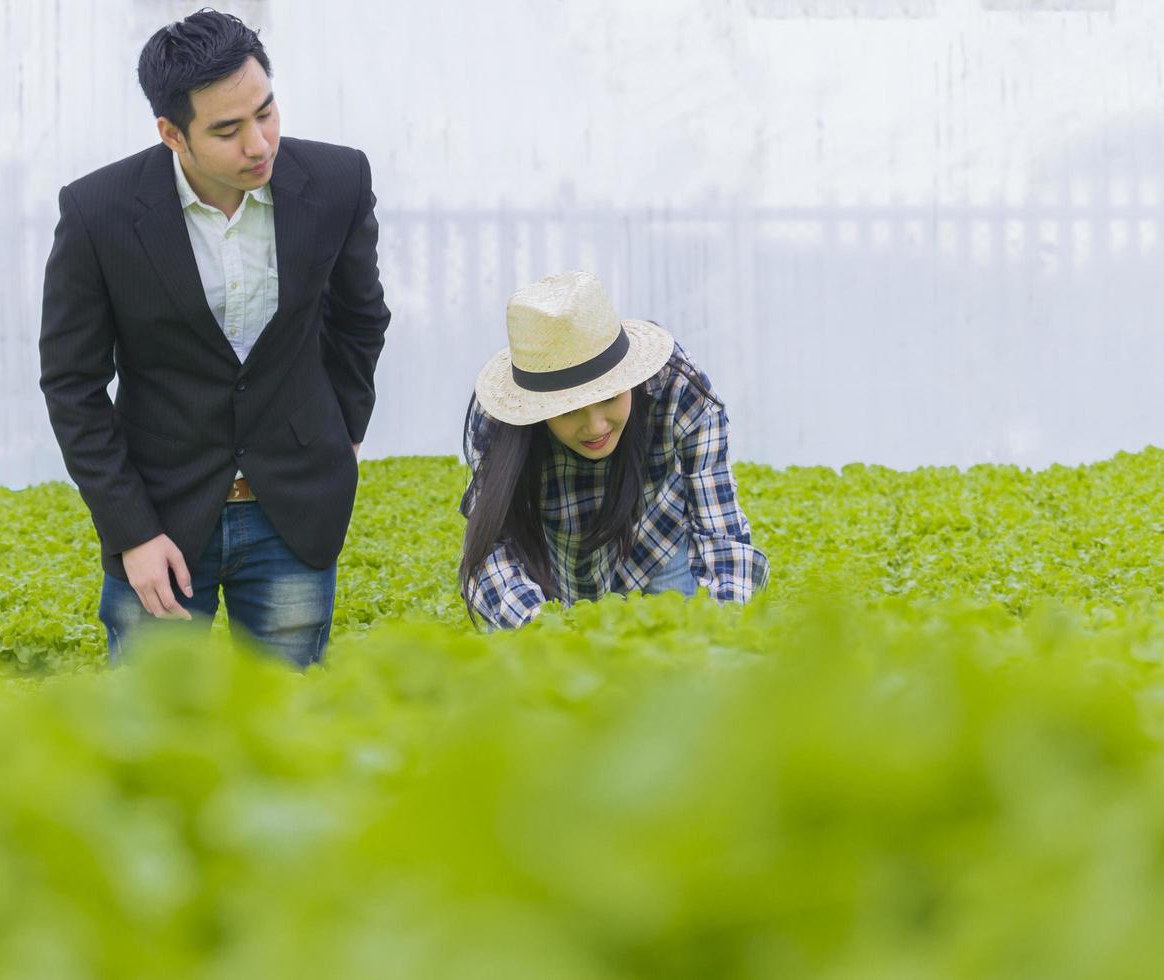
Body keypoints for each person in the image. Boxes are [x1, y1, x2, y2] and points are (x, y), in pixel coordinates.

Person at [39, 9, 390, 667]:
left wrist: (341, 430)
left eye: (266, 111)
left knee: (282, 732)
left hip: (294, 506)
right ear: (172, 133)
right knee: (153, 735)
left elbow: (358, 319)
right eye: (227, 130)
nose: (258, 143)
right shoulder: (98, 213)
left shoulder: (339, 182)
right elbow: (72, 383)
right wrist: (131, 532)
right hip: (159, 516)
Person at [459, 270, 767, 629]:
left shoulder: (680, 389)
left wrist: (725, 634)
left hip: (656, 543)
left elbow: (721, 534)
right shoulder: (499, 421)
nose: (596, 426)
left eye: (609, 397)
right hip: (552, 558)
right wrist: (542, 632)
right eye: (568, 409)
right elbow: (490, 553)